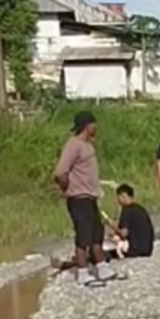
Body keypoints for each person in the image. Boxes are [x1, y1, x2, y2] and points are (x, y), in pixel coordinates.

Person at [53, 111, 117, 286]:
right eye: (93, 124)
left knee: (97, 233)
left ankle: (101, 267)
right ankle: (82, 272)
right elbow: (60, 172)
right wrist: (68, 188)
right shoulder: (73, 145)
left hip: (91, 197)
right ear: (86, 126)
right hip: (78, 197)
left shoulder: (88, 145)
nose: (96, 127)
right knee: (83, 236)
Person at [109, 183, 155, 258]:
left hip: (135, 250)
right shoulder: (140, 209)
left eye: (118, 197)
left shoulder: (127, 210)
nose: (117, 200)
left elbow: (124, 233)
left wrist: (112, 226)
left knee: (106, 253)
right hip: (147, 249)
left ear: (123, 196)